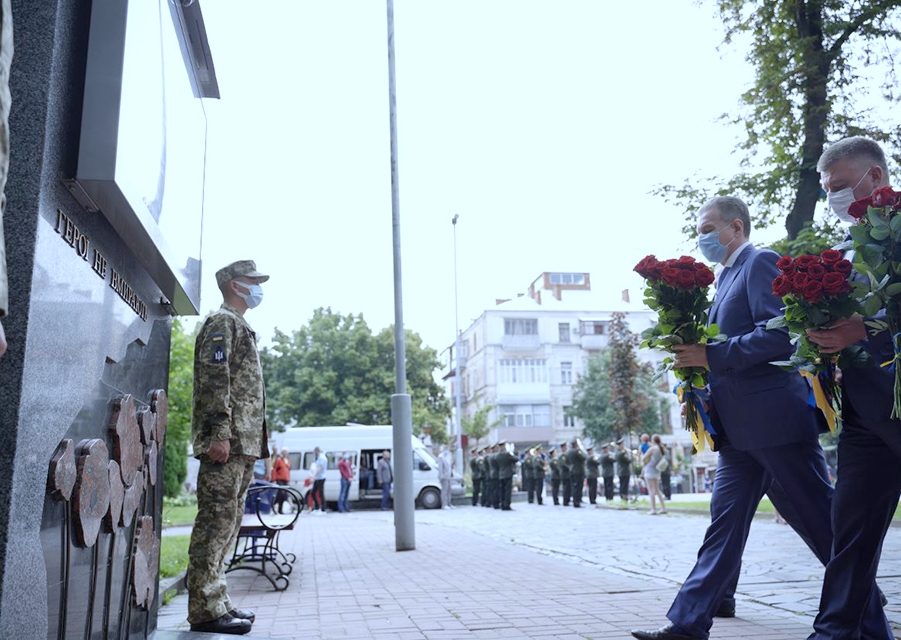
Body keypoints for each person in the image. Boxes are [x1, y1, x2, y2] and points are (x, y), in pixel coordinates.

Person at [631, 196, 890, 640]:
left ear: (736, 226)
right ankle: (687, 623)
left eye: (709, 227)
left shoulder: (759, 261)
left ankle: (871, 622)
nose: (703, 236)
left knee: (822, 524)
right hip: (737, 430)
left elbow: (780, 335)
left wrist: (710, 355)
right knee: (724, 525)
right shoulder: (724, 279)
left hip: (775, 421)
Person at [806, 136, 901, 639]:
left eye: (841, 186)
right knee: (852, 535)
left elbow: (874, 321)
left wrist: (866, 331)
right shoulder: (844, 249)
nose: (834, 199)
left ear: (877, 178)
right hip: (865, 414)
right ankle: (833, 633)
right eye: (827, 190)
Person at [186, 259, 270, 635]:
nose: (259, 287)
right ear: (236, 285)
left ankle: (217, 601)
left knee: (228, 525)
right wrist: (220, 432)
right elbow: (215, 381)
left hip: (242, 444)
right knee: (214, 525)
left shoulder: (240, 326)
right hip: (228, 441)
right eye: (254, 281)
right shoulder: (223, 323)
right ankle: (205, 611)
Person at [641, 435, 668, 516]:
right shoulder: (661, 448)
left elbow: (644, 457)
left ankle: (653, 509)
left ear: (653, 440)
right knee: (657, 490)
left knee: (651, 490)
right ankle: (663, 508)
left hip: (649, 470)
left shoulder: (653, 448)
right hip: (656, 470)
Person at [496, 442, 517, 510]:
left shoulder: (497, 455)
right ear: (503, 446)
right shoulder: (507, 454)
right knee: (507, 490)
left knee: (502, 490)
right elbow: (516, 459)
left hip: (501, 474)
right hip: (508, 474)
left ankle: (502, 504)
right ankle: (507, 505)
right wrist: (511, 453)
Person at [566, 438, 586, 508]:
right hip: (579, 471)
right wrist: (581, 449)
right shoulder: (577, 451)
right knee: (578, 487)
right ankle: (577, 502)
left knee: (574, 487)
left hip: (572, 471)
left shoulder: (569, 452)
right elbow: (584, 457)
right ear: (575, 444)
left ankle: (575, 501)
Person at [271, 448, 291, 514]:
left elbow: (288, 471)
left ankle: (280, 509)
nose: (286, 454)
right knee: (280, 494)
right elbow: (274, 470)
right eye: (284, 452)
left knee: (283, 495)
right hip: (280, 479)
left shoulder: (287, 460)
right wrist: (274, 479)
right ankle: (273, 505)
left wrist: (288, 479)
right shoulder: (279, 460)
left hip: (285, 479)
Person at [310, 446, 328, 514]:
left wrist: (313, 476)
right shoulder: (318, 458)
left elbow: (319, 468)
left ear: (317, 451)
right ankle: (317, 508)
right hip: (318, 478)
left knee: (321, 493)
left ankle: (323, 509)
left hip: (321, 478)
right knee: (313, 493)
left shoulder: (322, 458)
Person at [558, 441, 572, 506]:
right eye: (564, 447)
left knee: (568, 487)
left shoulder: (566, 454)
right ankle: (565, 501)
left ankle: (568, 499)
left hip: (568, 474)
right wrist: (570, 467)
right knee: (566, 488)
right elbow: (563, 464)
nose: (566, 448)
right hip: (564, 473)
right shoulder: (562, 455)